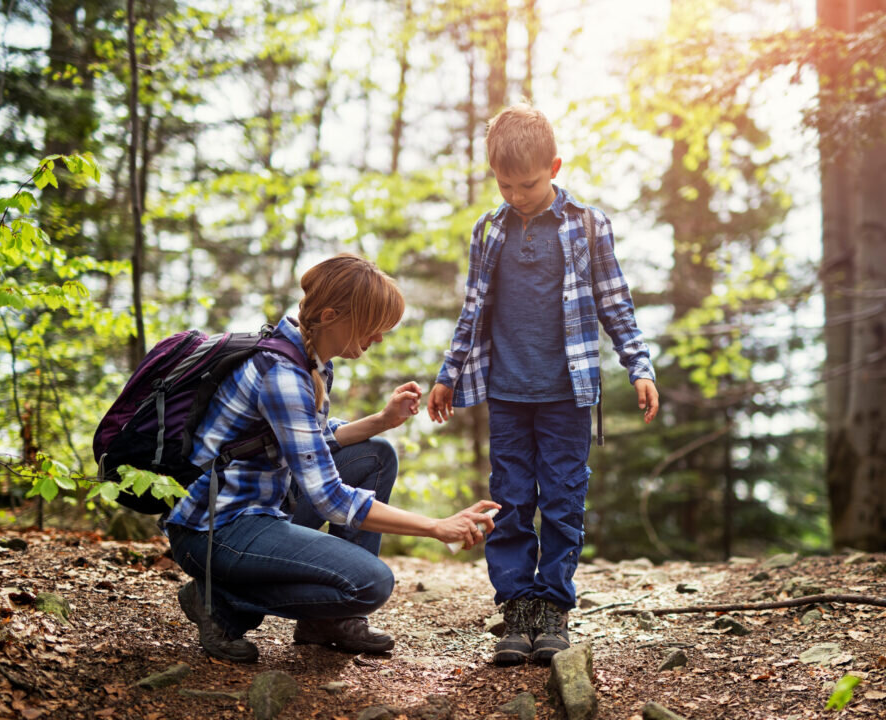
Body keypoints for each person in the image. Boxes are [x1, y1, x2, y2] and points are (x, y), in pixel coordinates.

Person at [165, 253, 499, 663]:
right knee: (369, 584)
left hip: (263, 507)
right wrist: (436, 527)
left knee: (376, 456)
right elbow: (330, 498)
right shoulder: (282, 374)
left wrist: (382, 420)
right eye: (373, 326)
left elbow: (315, 442)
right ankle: (218, 601)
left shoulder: (309, 360)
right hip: (216, 530)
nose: (379, 337)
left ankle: (326, 622)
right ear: (331, 315)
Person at [427, 103, 659, 666]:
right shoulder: (489, 230)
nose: (516, 194)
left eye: (527, 183)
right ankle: (516, 605)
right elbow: (473, 311)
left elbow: (614, 302)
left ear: (554, 166)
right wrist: (448, 375)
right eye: (505, 184)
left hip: (568, 396)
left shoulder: (586, 225)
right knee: (509, 499)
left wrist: (640, 365)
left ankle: (552, 605)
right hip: (506, 394)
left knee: (561, 500)